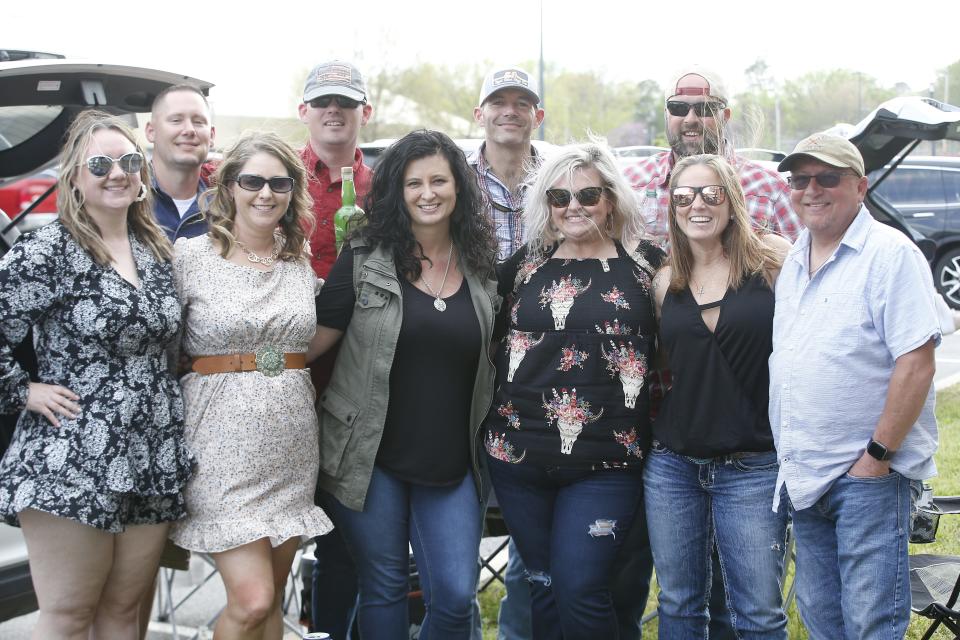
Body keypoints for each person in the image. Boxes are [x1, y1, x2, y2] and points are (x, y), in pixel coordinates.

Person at [0, 110, 194, 639]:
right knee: (68, 615)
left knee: (123, 614)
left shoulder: (156, 251)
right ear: (75, 177)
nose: (117, 173)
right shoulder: (47, 251)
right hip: (73, 452)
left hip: (151, 449)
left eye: (130, 161)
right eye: (101, 163)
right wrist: (22, 389)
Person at [308, 129, 498, 639]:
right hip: (370, 458)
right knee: (385, 586)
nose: (428, 193)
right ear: (397, 190)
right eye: (414, 183)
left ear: (459, 187)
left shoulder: (482, 267)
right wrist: (232, 363)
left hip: (452, 461)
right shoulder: (364, 255)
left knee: (456, 597)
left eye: (439, 180)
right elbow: (310, 345)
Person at [485, 141, 664, 639]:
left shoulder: (648, 264)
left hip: (608, 461)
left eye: (587, 194)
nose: (573, 208)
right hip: (518, 456)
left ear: (611, 197)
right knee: (542, 585)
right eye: (559, 198)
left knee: (581, 587)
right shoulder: (526, 264)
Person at [770, 133, 940, 638]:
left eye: (828, 178)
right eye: (801, 179)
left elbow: (917, 363)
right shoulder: (795, 257)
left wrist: (876, 457)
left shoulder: (890, 255)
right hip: (806, 476)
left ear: (860, 187)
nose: (812, 190)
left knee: (870, 625)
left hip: (865, 478)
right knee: (824, 621)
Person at [169, 132, 333, 640]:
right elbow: (163, 343)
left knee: (270, 607)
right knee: (252, 599)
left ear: (292, 191)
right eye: (253, 181)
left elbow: (314, 337)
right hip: (219, 443)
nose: (266, 193)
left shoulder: (297, 259)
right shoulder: (190, 256)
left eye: (279, 183)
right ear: (230, 187)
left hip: (290, 444)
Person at [646, 154, 790, 638]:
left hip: (754, 463)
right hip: (674, 465)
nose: (697, 205)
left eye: (711, 193)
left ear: (733, 198)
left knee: (758, 612)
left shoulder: (773, 262)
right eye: (684, 197)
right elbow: (667, 368)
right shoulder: (666, 281)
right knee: (679, 604)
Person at [298, 59, 374, 640]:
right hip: (296, 379)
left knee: (351, 540)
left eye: (345, 103)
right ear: (303, 112)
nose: (333, 111)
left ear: (363, 115)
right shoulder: (273, 179)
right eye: (322, 101)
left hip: (363, 387)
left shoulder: (388, 187)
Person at [468, 64, 544, 640]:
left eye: (523, 102)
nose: (510, 110)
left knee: (531, 537)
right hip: (468, 363)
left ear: (537, 115)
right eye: (499, 101)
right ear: (480, 114)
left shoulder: (565, 179)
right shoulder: (451, 179)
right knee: (458, 526)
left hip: (545, 371)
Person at [625, 67, 801, 249]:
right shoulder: (630, 184)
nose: (690, 119)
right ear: (666, 114)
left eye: (704, 109)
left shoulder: (770, 190)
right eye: (678, 108)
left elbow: (800, 267)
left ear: (725, 117)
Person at [146, 84, 216, 242]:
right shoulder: (126, 198)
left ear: (211, 135)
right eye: (176, 120)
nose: (189, 130)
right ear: (151, 132)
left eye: (198, 122)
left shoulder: (229, 206)